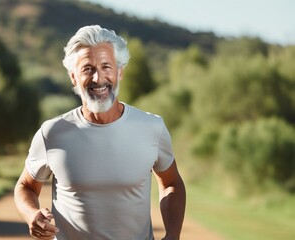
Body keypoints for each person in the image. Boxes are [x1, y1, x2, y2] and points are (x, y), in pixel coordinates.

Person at [14, 25, 186, 240]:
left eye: (106, 66)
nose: (98, 78)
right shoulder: (52, 132)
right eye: (87, 69)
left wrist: (173, 235)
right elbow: (25, 186)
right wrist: (32, 214)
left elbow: (172, 183)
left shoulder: (152, 127)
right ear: (74, 77)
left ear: (119, 72)